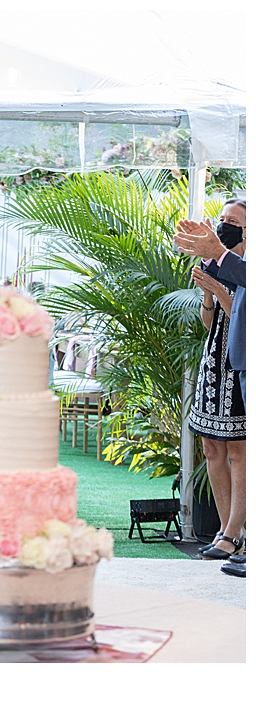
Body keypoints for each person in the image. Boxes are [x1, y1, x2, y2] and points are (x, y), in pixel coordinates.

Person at [175, 200, 246, 577]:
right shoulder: (218, 263)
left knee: (238, 450)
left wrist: (220, 290)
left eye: (233, 222)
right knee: (211, 447)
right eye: (222, 220)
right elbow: (210, 322)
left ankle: (236, 533)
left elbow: (242, 318)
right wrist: (207, 292)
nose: (224, 226)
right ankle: (222, 528)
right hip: (212, 361)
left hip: (238, 366)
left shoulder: (244, 269)